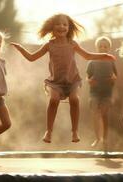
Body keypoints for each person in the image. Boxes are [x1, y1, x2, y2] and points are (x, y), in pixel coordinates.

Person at [11, 13, 115, 143]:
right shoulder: (49, 45)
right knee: (53, 100)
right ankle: (48, 131)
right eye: (58, 24)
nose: (61, 26)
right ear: (52, 27)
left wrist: (104, 55)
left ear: (69, 27)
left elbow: (87, 56)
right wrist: (21, 49)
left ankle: (75, 132)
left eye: (65, 24)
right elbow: (32, 58)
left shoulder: (73, 44)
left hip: (73, 81)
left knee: (74, 99)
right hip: (55, 82)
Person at [86, 36, 117, 150]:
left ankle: (104, 138)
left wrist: (113, 78)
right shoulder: (92, 61)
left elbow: (115, 75)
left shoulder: (111, 61)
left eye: (105, 46)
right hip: (94, 92)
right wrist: (90, 81)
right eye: (100, 46)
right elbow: (87, 76)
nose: (103, 48)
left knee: (104, 114)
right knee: (95, 113)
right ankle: (97, 138)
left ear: (109, 48)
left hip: (106, 93)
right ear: (97, 48)